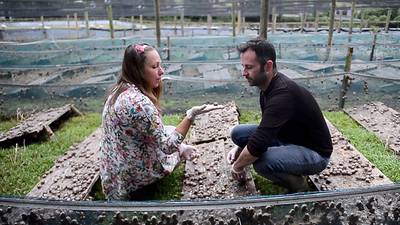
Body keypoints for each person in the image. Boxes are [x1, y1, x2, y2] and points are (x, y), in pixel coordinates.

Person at [99, 43, 222, 200]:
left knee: (168, 128)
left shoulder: (119, 91)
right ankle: (174, 158)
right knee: (173, 142)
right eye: (154, 67)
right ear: (138, 70)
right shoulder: (138, 104)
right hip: (132, 175)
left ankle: (182, 148)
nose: (161, 71)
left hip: (113, 170)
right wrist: (190, 116)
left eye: (160, 65)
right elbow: (167, 146)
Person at [227, 38, 333, 193]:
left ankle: (299, 186)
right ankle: (284, 159)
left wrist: (237, 167)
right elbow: (266, 129)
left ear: (268, 66)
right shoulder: (268, 86)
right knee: (238, 134)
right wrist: (239, 149)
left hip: (314, 152)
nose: (244, 73)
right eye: (243, 66)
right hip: (288, 137)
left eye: (249, 67)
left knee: (263, 162)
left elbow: (258, 144)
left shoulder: (283, 94)